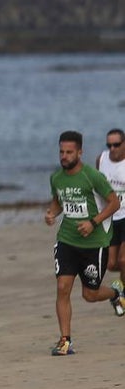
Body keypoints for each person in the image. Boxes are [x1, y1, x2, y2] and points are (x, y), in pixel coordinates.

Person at [45, 130, 125, 356]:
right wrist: (51, 214)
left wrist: (93, 222)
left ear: (80, 152)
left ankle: (115, 293)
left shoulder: (92, 176)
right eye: (61, 152)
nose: (64, 156)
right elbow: (58, 201)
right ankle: (65, 341)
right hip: (67, 240)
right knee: (62, 288)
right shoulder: (56, 177)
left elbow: (114, 203)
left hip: (94, 244)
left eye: (69, 152)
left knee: (90, 295)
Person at [95, 128, 125, 284]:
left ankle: (123, 292)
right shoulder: (101, 159)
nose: (112, 148)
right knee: (111, 264)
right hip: (110, 217)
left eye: (116, 145)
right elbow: (96, 186)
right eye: (109, 145)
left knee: (123, 260)